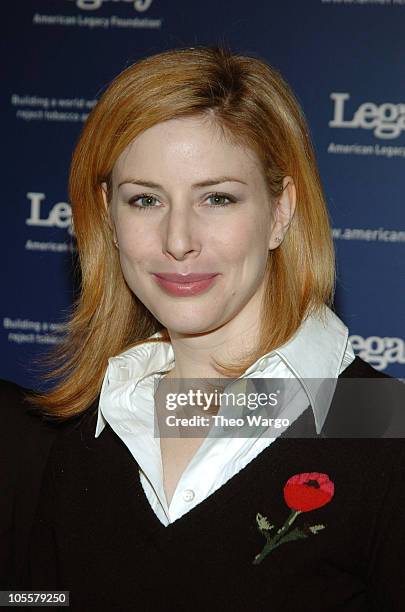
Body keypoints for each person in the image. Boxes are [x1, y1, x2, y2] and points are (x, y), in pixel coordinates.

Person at [1, 45, 405, 611]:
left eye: (217, 198)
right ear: (109, 217)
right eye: (144, 199)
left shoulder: (387, 431)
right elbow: (40, 598)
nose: (177, 239)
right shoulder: (80, 434)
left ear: (281, 210)